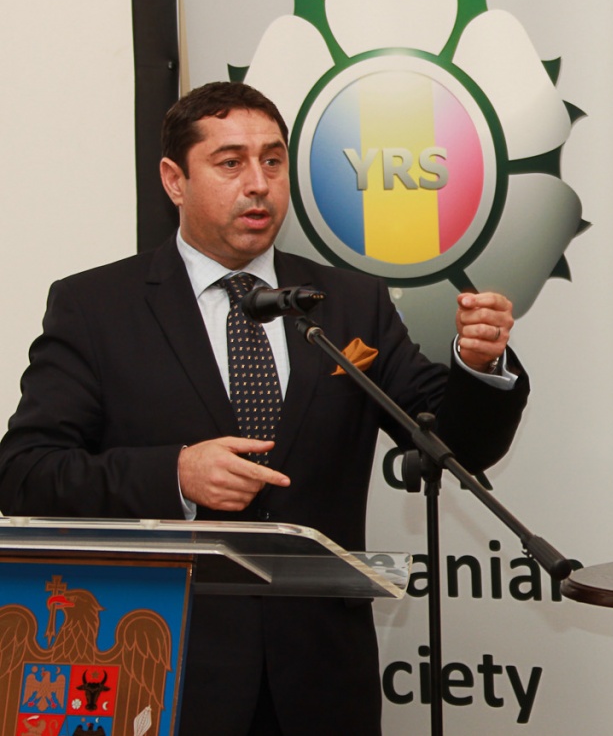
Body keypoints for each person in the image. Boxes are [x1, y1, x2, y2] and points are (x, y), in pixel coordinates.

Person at [0, 82, 530, 735]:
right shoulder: (97, 307)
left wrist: (479, 367)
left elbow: (453, 442)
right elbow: (25, 472)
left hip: (321, 681)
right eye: (230, 163)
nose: (258, 184)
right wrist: (175, 474)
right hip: (165, 674)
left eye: (273, 161)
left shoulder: (351, 302)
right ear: (174, 179)